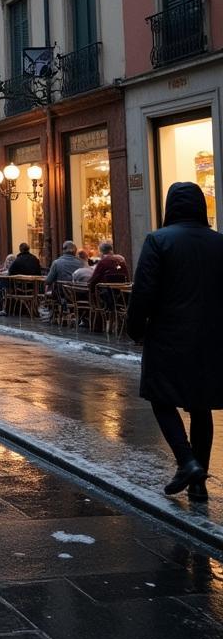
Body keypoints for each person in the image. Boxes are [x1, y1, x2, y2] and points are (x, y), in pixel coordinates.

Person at [127, 182, 223, 500]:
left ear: (170, 206)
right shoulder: (219, 242)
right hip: (211, 338)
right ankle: (197, 484)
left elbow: (144, 292)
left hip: (168, 336)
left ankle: (187, 462)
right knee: (201, 405)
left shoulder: (159, 240)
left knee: (160, 397)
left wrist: (136, 329)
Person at [89, 240, 129, 310]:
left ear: (101, 253)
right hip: (123, 296)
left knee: (91, 292)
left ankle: (96, 317)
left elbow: (94, 278)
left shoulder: (103, 262)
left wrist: (88, 285)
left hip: (107, 297)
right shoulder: (121, 261)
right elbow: (127, 278)